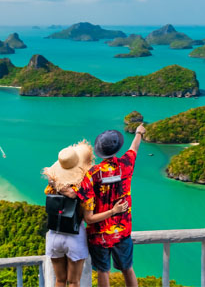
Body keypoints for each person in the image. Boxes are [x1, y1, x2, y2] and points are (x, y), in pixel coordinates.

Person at [43, 141, 128, 287]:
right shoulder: (85, 190)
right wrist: (113, 211)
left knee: (60, 280)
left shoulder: (52, 187)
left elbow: (56, 192)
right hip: (74, 236)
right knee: (74, 281)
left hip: (54, 235)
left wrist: (56, 183)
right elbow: (89, 218)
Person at [78, 123, 146, 287]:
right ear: (116, 149)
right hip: (122, 232)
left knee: (103, 272)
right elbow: (134, 148)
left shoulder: (91, 175)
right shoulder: (125, 165)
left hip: (98, 235)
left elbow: (88, 217)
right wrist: (139, 133)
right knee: (128, 269)